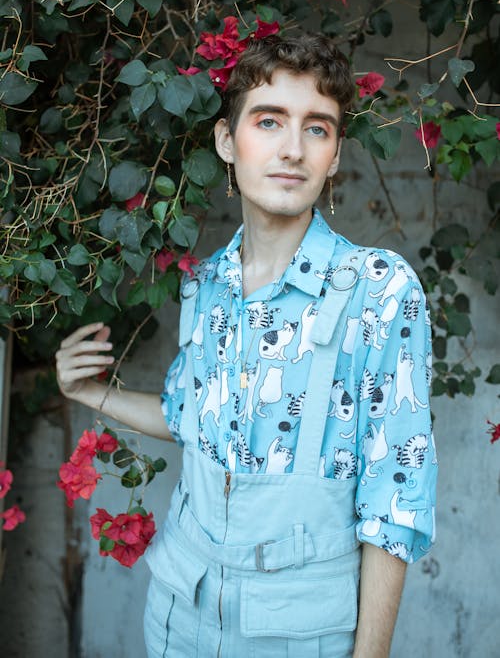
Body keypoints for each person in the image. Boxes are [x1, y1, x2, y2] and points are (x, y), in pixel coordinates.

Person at [56, 34, 437, 658]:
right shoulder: (207, 284)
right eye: (269, 122)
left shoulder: (379, 290)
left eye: (318, 129)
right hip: (179, 616)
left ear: (336, 154)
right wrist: (89, 392)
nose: (292, 149)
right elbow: (189, 420)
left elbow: (396, 501)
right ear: (227, 142)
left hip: (297, 635)